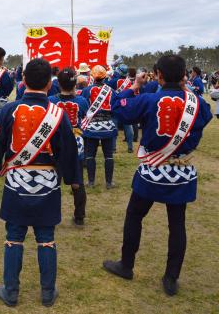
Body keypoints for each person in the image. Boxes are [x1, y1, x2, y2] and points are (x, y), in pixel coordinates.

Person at [103, 55, 212, 296]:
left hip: (153, 170)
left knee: (134, 215)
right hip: (181, 171)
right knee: (177, 224)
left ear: (158, 75)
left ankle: (127, 265)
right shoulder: (197, 103)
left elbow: (119, 109)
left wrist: (134, 87)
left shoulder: (149, 99)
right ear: (184, 74)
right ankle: (171, 278)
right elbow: (204, 118)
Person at [0, 58, 80, 307]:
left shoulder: (8, 110)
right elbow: (68, 150)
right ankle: (47, 293)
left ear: (23, 80)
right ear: (50, 83)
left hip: (17, 181)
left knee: (14, 235)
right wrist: (73, 179)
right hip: (47, 183)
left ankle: (11, 291)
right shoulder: (57, 113)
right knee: (46, 236)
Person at [49, 67, 88, 226]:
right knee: (77, 180)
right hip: (75, 142)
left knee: (53, 180)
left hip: (55, 142)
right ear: (75, 84)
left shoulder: (51, 101)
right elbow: (85, 117)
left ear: (58, 83)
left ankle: (51, 216)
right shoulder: (82, 101)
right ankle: (79, 216)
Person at [82, 65, 117, 188]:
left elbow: (84, 107)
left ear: (92, 76)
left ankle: (91, 182)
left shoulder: (87, 90)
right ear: (104, 77)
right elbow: (115, 108)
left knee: (91, 154)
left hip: (92, 126)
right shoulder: (111, 91)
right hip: (107, 125)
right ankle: (109, 183)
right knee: (108, 155)